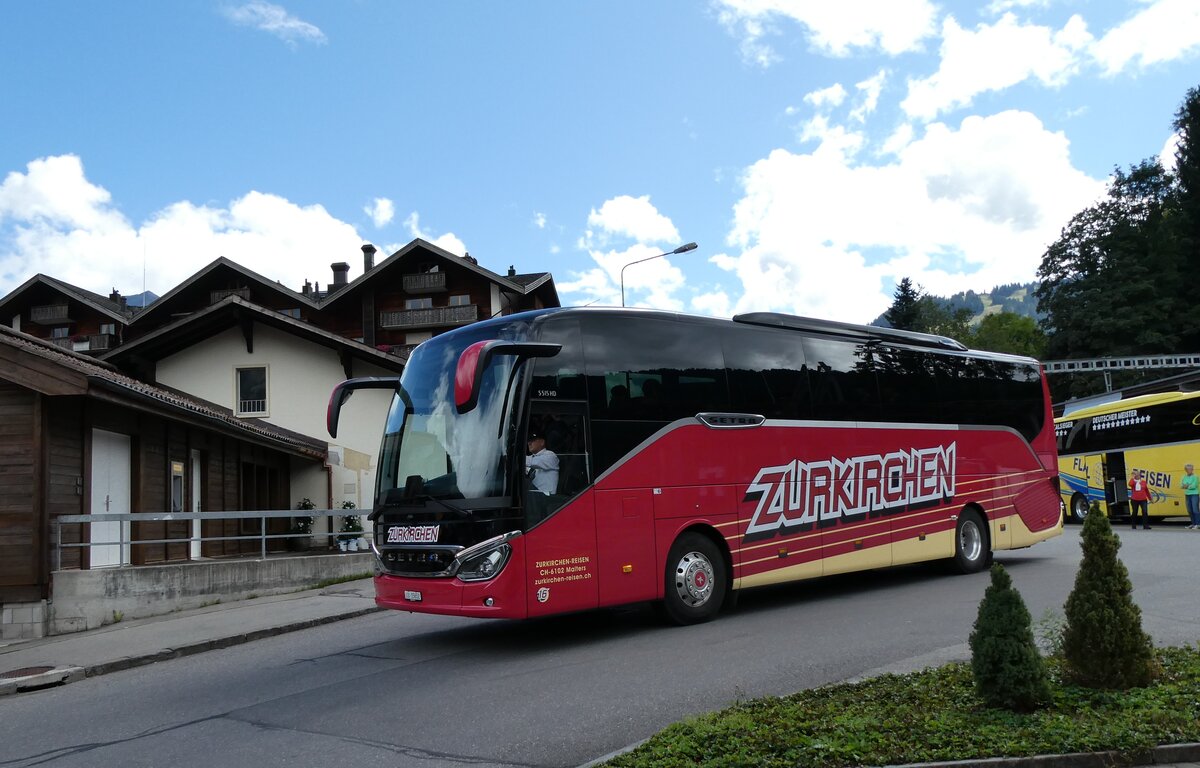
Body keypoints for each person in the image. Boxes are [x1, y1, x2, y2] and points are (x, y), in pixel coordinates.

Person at [1183, 464, 1200, 529]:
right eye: (1188, 469)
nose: (1189, 470)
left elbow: (1194, 486)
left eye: (1191, 469)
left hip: (1194, 494)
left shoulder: (1195, 477)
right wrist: (1188, 485)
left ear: (1192, 470)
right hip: (1187, 494)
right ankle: (1193, 523)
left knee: (1195, 509)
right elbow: (1181, 485)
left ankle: (1198, 524)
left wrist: (1187, 486)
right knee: (1189, 510)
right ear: (1186, 470)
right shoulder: (1184, 477)